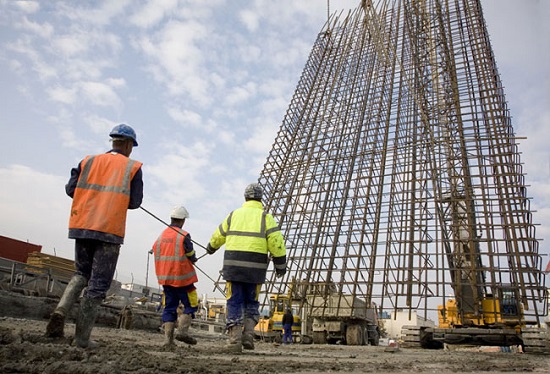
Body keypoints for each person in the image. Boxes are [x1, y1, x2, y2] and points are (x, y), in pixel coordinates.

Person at [45, 123, 143, 348]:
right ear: (128, 145)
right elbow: (136, 202)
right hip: (108, 230)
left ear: (113, 142)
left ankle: (61, 309)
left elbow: (71, 189)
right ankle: (81, 339)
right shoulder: (133, 167)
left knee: (81, 273)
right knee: (98, 284)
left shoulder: (87, 161)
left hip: (82, 224)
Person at [206, 183, 286, 353]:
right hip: (255, 270)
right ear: (260, 198)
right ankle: (248, 335)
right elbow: (277, 243)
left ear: (245, 198)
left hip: (233, 267)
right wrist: (280, 265)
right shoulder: (266, 217)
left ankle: (234, 340)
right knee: (252, 301)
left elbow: (218, 235)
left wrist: (211, 248)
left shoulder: (233, 215)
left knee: (234, 301)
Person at [151, 205, 199, 348]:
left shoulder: (162, 235)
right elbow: (189, 253)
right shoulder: (183, 235)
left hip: (165, 279)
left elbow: (156, 250)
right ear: (183, 220)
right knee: (191, 305)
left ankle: (168, 341)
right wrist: (193, 258)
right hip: (182, 278)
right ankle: (182, 332)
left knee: (169, 307)